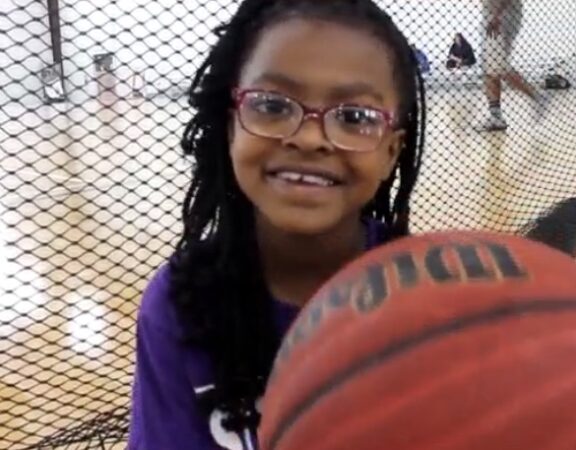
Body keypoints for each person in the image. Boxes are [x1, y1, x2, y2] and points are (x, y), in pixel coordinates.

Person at [127, 0, 426, 449]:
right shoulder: (181, 305)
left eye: (354, 117)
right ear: (231, 127)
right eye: (271, 104)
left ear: (391, 151)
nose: (308, 138)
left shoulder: (432, 292)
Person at [479, 0, 549, 132]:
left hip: (500, 15)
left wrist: (496, 15)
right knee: (490, 69)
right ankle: (496, 117)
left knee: (496, 66)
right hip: (495, 14)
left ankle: (537, 95)